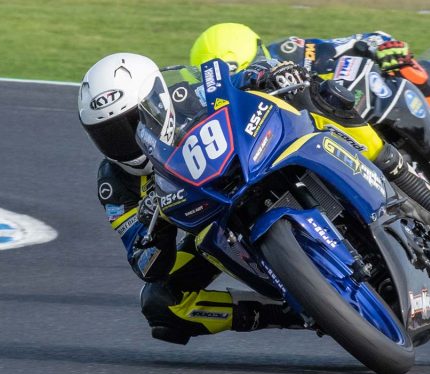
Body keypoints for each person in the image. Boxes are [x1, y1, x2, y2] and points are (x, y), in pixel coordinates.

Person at [78, 52, 302, 345]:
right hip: (218, 224)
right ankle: (281, 313)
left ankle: (380, 161)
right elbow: (144, 263)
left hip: (261, 162)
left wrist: (266, 72)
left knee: (321, 99)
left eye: (133, 122)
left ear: (153, 97)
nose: (126, 141)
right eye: (107, 135)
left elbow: (239, 77)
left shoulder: (188, 95)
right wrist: (153, 225)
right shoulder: (114, 183)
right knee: (162, 303)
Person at [189, 23, 430, 238]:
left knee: (368, 91)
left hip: (344, 127)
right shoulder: (219, 109)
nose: (246, 79)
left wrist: (385, 48)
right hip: (281, 157)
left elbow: (364, 41)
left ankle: (421, 187)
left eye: (246, 70)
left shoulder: (290, 52)